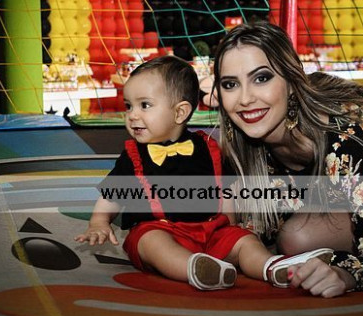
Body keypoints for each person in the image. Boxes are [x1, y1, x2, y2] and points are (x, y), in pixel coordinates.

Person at [213, 22, 363, 297]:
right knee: (246, 224)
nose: (245, 98)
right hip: (327, 189)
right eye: (230, 84)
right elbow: (224, 227)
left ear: (291, 82)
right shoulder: (241, 139)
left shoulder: (346, 134)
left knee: (296, 238)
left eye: (261, 78)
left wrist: (345, 274)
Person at [74, 55, 326, 290]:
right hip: (159, 228)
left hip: (210, 229)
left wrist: (230, 225)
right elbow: (112, 194)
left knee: (244, 240)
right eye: (129, 106)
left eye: (144, 105)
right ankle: (194, 268)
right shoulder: (133, 155)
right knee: (151, 242)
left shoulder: (208, 147)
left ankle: (271, 267)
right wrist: (99, 222)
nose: (132, 116)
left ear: (180, 112)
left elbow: (224, 190)